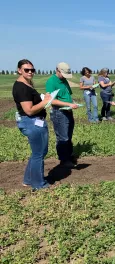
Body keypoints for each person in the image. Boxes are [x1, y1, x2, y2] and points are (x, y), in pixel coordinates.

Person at [12, 59, 51, 190]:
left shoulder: (27, 84)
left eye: (32, 70)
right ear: (19, 70)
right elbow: (29, 110)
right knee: (38, 153)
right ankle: (39, 184)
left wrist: (43, 99)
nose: (30, 72)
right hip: (32, 122)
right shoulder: (21, 87)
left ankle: (28, 180)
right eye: (26, 70)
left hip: (34, 121)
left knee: (38, 152)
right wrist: (45, 101)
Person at [46, 62, 79, 168]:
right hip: (59, 112)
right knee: (62, 137)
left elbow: (68, 95)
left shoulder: (64, 80)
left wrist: (72, 103)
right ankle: (64, 160)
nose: (64, 77)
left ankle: (69, 156)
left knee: (68, 136)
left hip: (68, 111)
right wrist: (68, 104)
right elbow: (52, 100)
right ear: (57, 70)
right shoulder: (51, 81)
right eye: (63, 74)